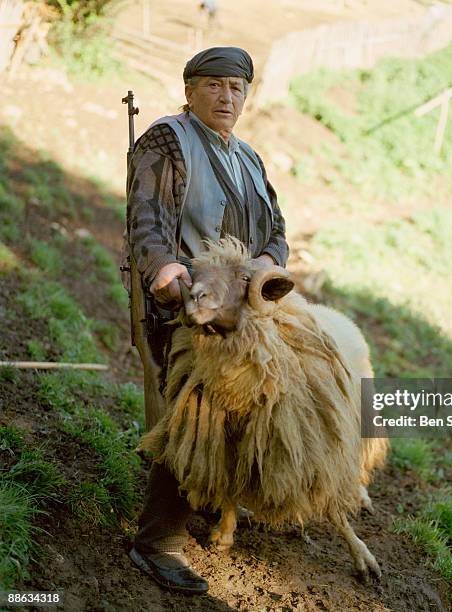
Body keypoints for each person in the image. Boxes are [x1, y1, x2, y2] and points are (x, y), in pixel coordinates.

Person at [124, 46, 289, 594]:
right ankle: (157, 542)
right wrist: (165, 271)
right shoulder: (168, 139)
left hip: (244, 314)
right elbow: (146, 215)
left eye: (236, 88)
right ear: (191, 89)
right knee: (195, 414)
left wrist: (265, 266)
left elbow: (277, 233)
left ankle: (215, 494)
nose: (227, 97)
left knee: (251, 406)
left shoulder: (249, 159)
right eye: (214, 85)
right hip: (186, 304)